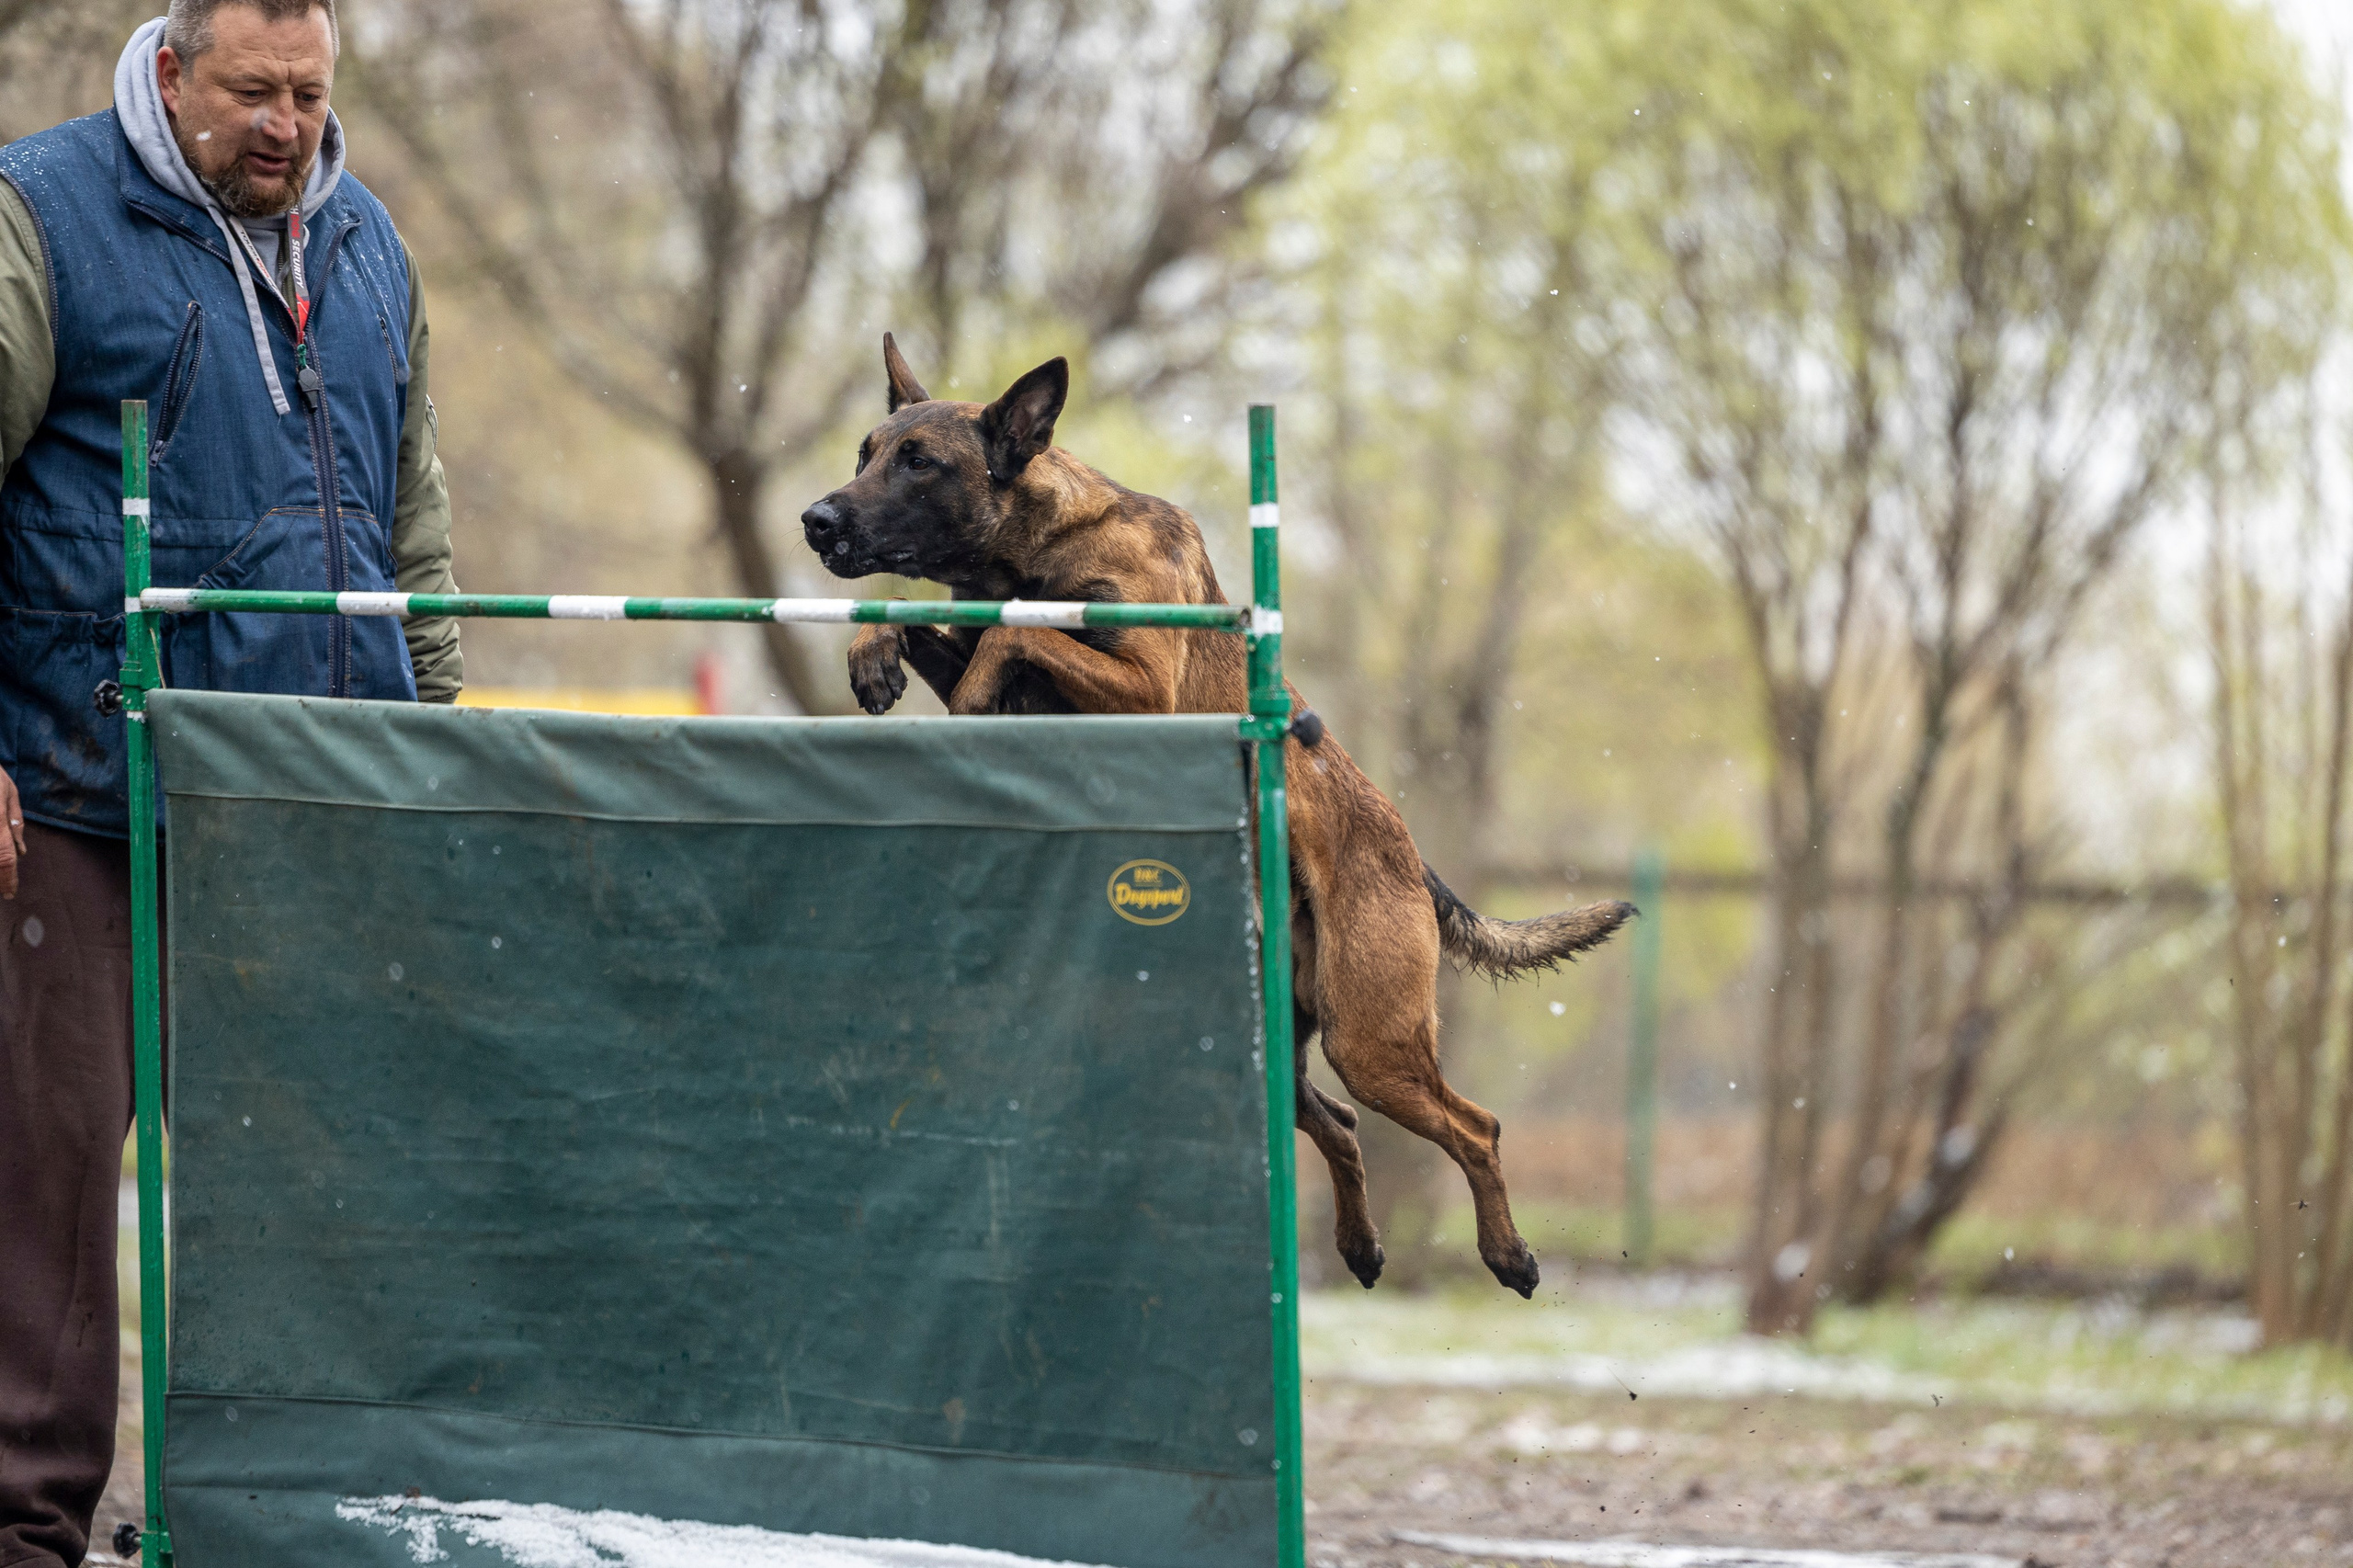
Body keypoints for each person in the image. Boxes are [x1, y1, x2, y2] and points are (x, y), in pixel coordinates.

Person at [0, 3, 460, 1562]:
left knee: (303, 1198)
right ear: (173, 71)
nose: (287, 124)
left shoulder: (372, 242)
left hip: (310, 810)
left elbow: (415, 528)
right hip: (81, 797)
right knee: (46, 1204)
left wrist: (438, 746)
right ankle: (25, 1530)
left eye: (312, 93)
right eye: (256, 92)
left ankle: (272, 1527)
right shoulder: (44, 211)